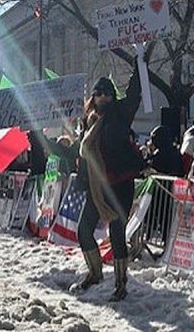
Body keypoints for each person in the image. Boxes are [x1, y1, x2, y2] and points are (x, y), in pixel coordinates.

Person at [71, 69, 143, 301]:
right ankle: (95, 273)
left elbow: (134, 95)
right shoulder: (89, 121)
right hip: (98, 186)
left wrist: (140, 60)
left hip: (121, 182)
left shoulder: (120, 114)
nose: (104, 97)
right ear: (92, 97)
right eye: (99, 93)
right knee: (83, 229)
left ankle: (121, 284)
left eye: (108, 93)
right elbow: (81, 153)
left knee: (117, 231)